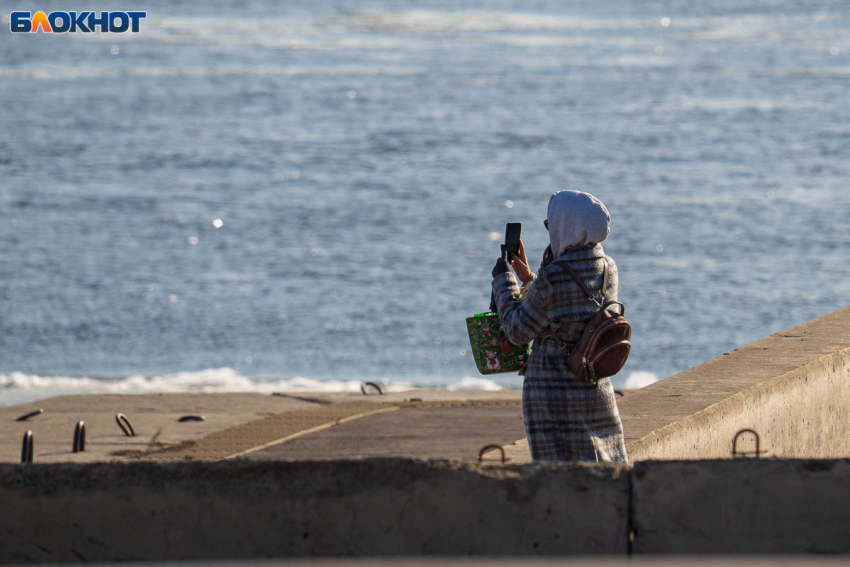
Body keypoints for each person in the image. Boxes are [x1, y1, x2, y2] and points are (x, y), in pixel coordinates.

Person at [491, 190, 628, 462]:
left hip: (555, 399)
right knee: (605, 474)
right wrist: (529, 278)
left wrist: (504, 282)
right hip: (595, 389)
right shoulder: (608, 268)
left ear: (567, 226)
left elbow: (518, 330)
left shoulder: (554, 275)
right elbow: (568, 312)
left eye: (550, 225)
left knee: (563, 485)